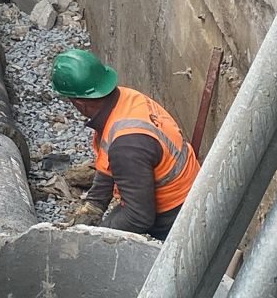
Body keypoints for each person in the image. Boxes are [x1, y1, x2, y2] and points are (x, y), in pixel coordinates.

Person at [50, 48, 197, 240]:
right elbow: (108, 160)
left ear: (79, 104)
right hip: (187, 192)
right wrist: (93, 206)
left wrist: (95, 240)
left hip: (176, 218)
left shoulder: (127, 145)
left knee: (104, 245)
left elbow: (138, 217)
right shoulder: (125, 99)